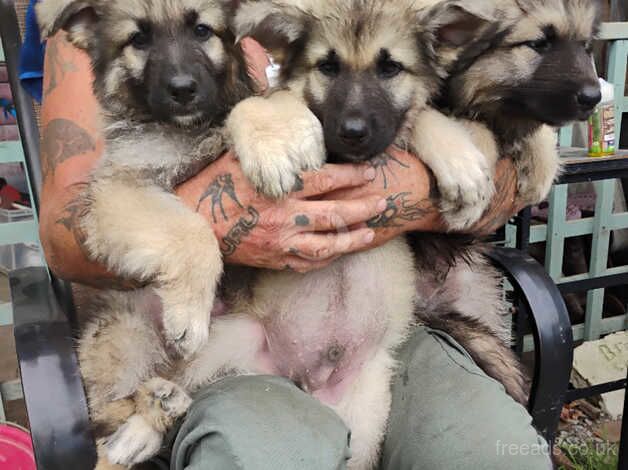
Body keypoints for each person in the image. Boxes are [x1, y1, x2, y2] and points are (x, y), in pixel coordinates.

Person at [36, 24, 552, 470]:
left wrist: (412, 190)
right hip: (235, 327)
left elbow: (514, 178)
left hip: (391, 323)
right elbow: (68, 236)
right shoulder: (128, 21)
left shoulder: (404, 25)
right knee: (259, 453)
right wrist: (213, 226)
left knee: (496, 453)